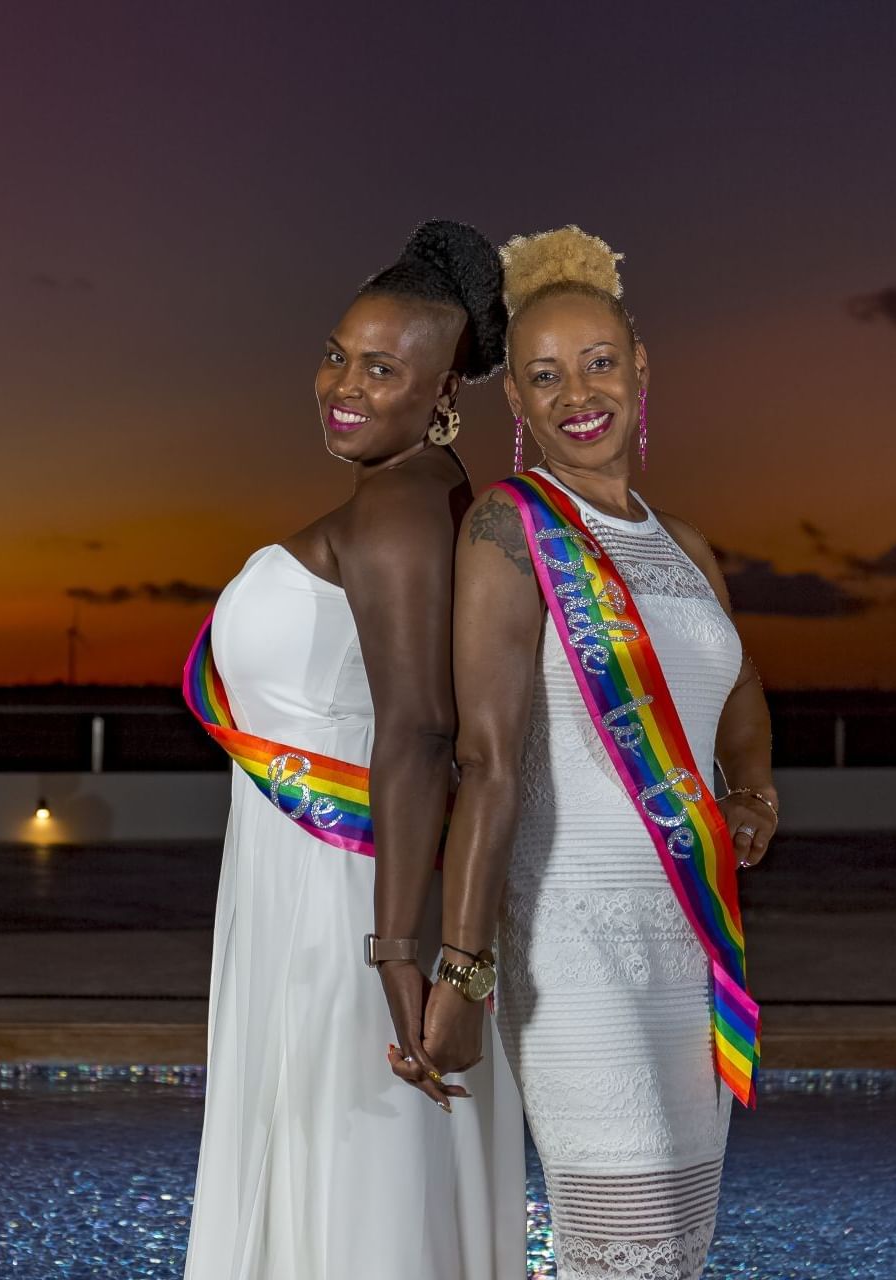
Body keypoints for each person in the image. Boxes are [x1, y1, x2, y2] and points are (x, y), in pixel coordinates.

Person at [421, 226, 778, 1280]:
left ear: (641, 368)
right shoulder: (508, 527)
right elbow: (483, 764)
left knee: (679, 1246)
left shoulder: (688, 545)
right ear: (518, 406)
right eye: (545, 374)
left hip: (689, 936)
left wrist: (753, 786)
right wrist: (462, 967)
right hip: (569, 944)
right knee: (619, 1250)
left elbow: (742, 684)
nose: (579, 390)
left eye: (599, 361)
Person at [181, 221, 526, 1279]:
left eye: (384, 368)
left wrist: (398, 956)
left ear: (440, 392)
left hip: (348, 906)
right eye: (338, 352)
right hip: (334, 888)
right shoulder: (421, 492)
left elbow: (422, 730)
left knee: (357, 1168)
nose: (343, 384)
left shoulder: (400, 505)